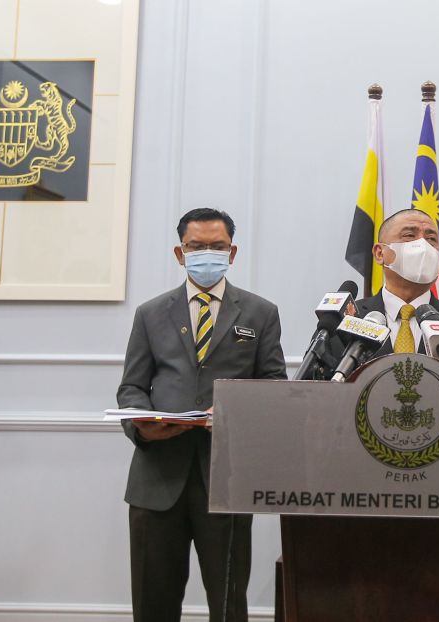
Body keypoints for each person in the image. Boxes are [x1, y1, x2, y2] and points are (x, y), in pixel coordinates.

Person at [116, 208, 286, 622]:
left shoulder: (261, 313)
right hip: (157, 479)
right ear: (180, 253)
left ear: (232, 252)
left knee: (228, 603)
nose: (207, 253)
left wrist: (232, 411)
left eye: (217, 246)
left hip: (226, 480)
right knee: (153, 602)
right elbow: (131, 388)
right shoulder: (151, 313)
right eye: (197, 247)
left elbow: (274, 386)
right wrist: (143, 427)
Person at [339, 208, 439, 359]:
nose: (423, 246)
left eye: (431, 239)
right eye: (409, 235)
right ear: (380, 253)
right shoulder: (345, 321)